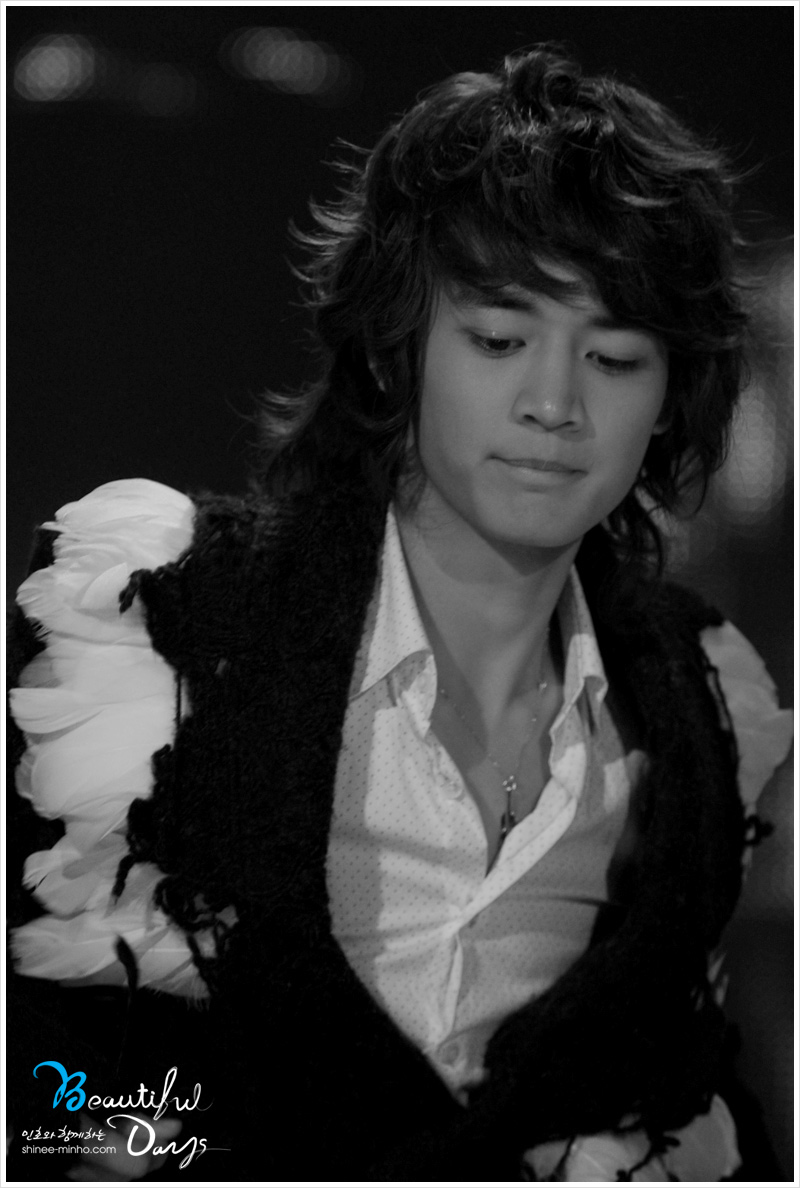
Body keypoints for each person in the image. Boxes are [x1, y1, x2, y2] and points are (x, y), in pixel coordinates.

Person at [7, 45, 792, 1182]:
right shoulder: (160, 632)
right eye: (499, 339)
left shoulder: (698, 711)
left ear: (672, 397)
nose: (554, 404)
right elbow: (48, 1092)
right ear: (395, 348)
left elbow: (685, 1111)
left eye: (616, 357)